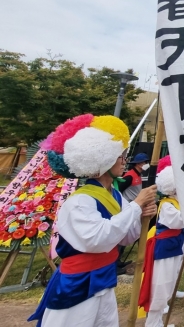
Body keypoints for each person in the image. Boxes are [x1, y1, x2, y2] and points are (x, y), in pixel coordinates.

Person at [29, 114, 157, 327]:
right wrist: (136, 207)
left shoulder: (115, 195)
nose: (124, 161)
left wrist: (143, 216)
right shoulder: (81, 200)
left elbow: (126, 237)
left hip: (104, 278)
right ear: (104, 158)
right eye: (121, 156)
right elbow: (98, 239)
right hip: (78, 282)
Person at [139, 156, 184, 327]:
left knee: (168, 282)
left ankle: (157, 322)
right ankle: (153, 323)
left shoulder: (175, 202)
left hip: (173, 246)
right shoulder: (167, 205)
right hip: (164, 248)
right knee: (160, 285)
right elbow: (179, 221)